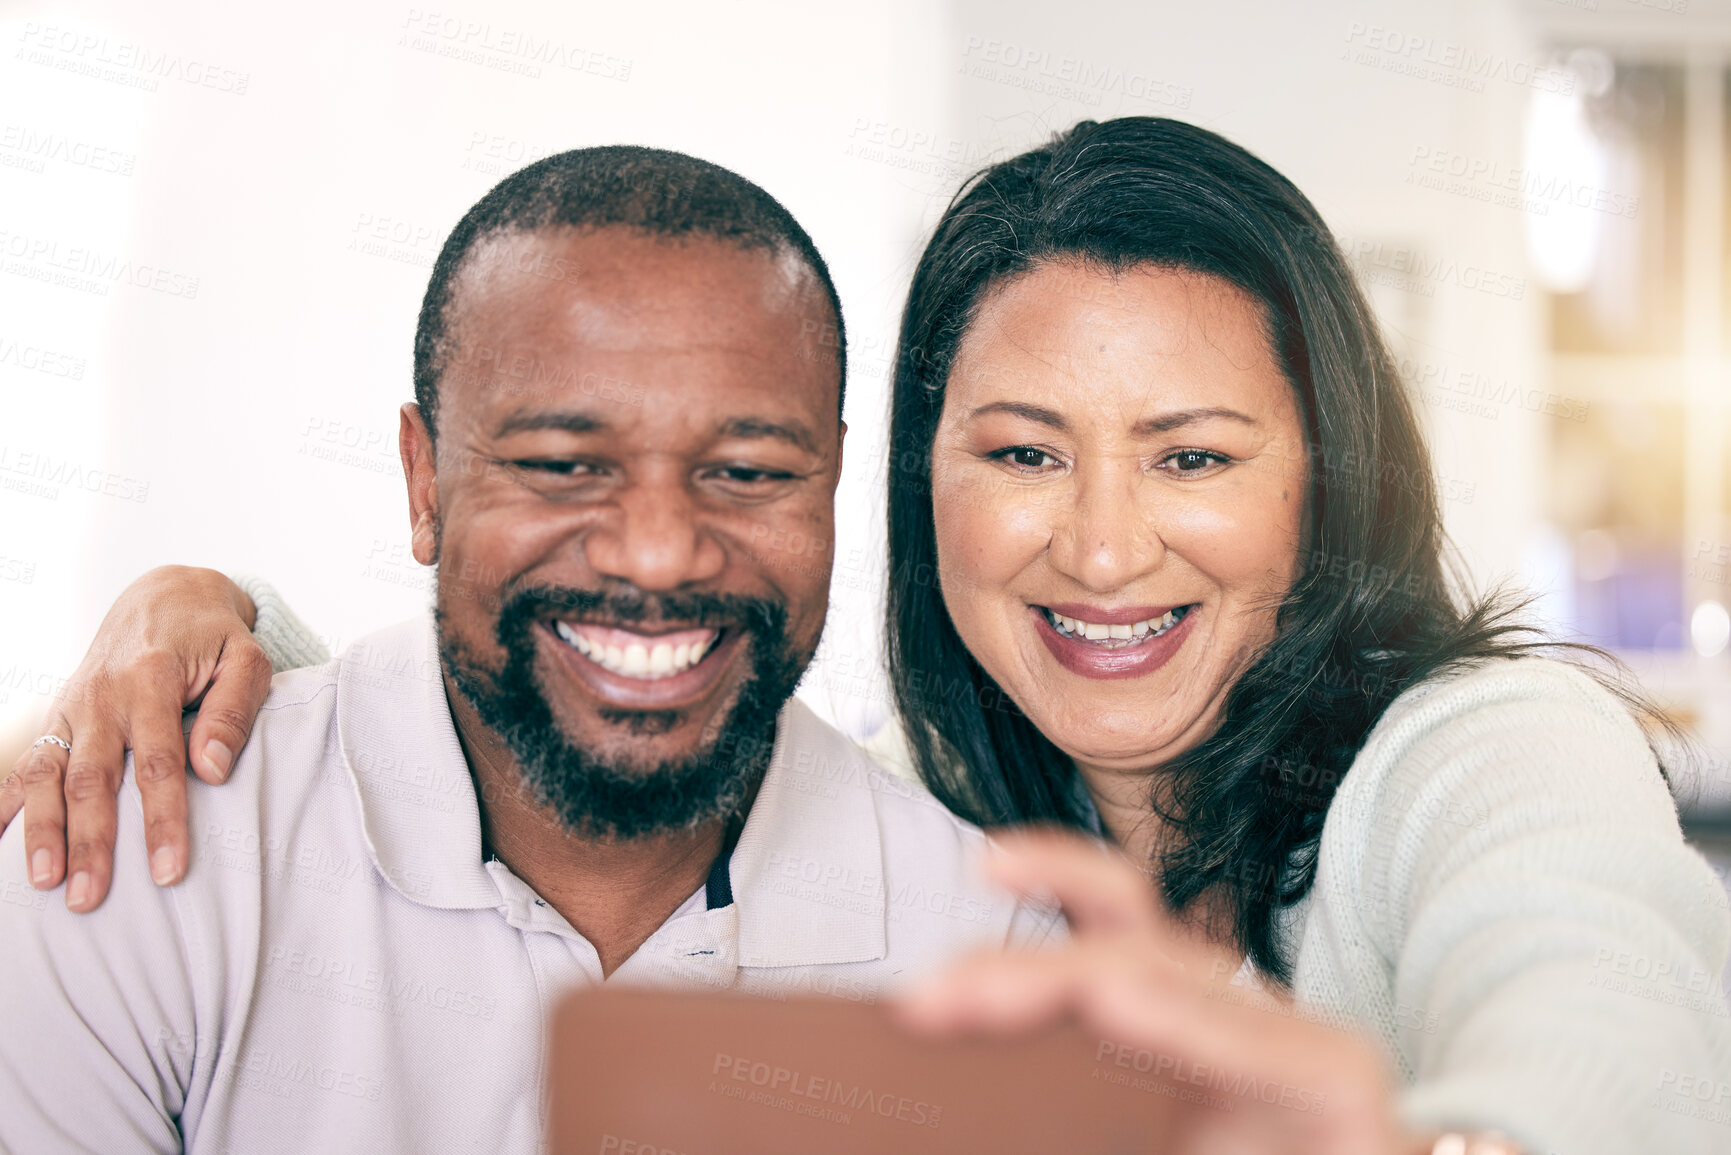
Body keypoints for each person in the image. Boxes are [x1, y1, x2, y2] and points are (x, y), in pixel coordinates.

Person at [8, 118, 1730, 1154]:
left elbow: (1607, 1023)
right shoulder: (927, 825)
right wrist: (209, 612)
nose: (1106, 543)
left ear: (1322, 482)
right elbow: (532, 693)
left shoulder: (1479, 753)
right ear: (911, 487)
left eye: (1194, 456)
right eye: (1021, 453)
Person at [0, 146, 1059, 1153]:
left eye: (747, 471)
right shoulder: (138, 862)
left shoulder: (995, 956)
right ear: (425, 485)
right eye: (561, 463)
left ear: (831, 481)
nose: (656, 557)